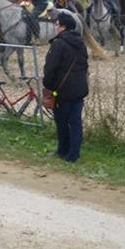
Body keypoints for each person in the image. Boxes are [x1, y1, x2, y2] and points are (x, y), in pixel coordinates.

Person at [43, 12, 89, 163]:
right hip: (80, 88)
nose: (55, 27)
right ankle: (74, 154)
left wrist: (48, 86)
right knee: (76, 122)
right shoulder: (81, 42)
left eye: (57, 24)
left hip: (62, 90)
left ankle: (63, 150)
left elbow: (50, 68)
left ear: (62, 26)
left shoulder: (58, 44)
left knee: (62, 121)